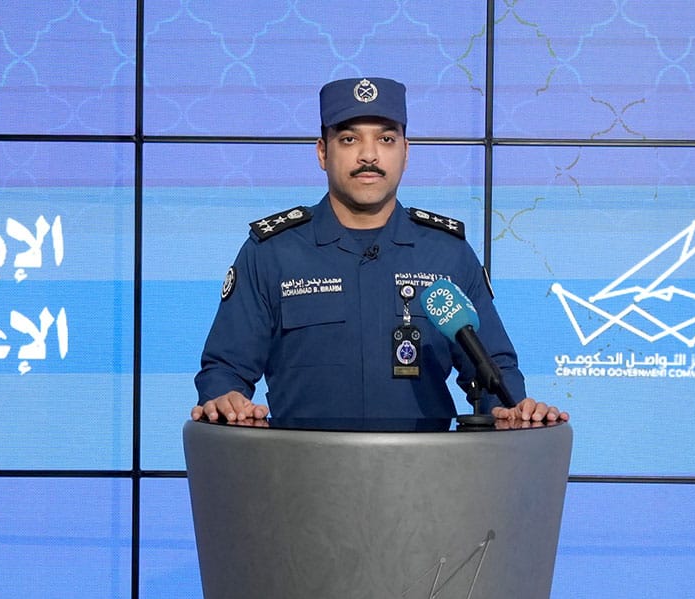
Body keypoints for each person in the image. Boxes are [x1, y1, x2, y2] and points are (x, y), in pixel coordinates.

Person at [191, 77, 568, 424]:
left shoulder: (448, 253)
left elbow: (493, 372)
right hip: (299, 470)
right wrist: (226, 399)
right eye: (349, 139)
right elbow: (225, 370)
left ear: (406, 152)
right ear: (322, 152)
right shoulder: (272, 252)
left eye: (386, 139)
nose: (368, 156)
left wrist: (514, 410)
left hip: (429, 471)